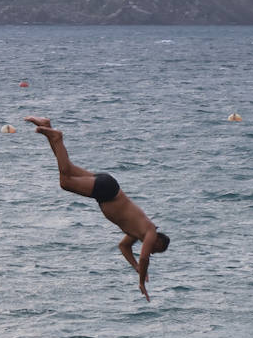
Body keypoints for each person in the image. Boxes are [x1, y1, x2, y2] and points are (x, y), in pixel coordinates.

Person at [25, 116, 169, 300]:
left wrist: (135, 266)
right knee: (65, 181)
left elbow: (124, 247)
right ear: (158, 241)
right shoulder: (150, 232)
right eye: (156, 250)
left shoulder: (138, 233)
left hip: (107, 187)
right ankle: (57, 137)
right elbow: (144, 258)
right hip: (107, 192)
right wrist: (141, 280)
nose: (152, 251)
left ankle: (47, 127)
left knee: (67, 169)